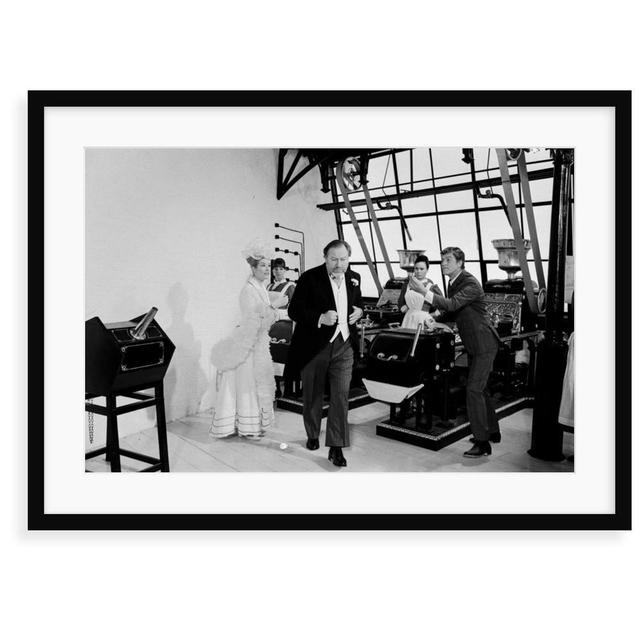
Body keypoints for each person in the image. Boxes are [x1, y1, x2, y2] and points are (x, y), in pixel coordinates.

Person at [410, 246, 500, 457]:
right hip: (474, 344)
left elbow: (453, 304)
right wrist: (436, 319)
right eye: (442, 260)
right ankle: (492, 431)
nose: (443, 264)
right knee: (482, 389)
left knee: (473, 390)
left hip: (484, 344)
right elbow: (454, 310)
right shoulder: (454, 283)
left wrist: (424, 292)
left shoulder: (469, 282)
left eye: (448, 260)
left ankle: (482, 442)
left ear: (460, 263)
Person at [286, 239, 363, 467]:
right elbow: (294, 310)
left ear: (348, 258)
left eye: (343, 259)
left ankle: (336, 447)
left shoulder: (355, 278)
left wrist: (359, 311)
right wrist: (320, 318)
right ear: (325, 258)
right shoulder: (309, 278)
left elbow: (356, 304)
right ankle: (312, 432)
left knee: (340, 396)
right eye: (334, 259)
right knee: (313, 394)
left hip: (345, 344)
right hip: (314, 346)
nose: (339, 264)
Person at [209, 240, 288, 439]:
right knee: (249, 385)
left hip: (260, 342)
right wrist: (274, 312)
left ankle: (254, 424)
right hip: (250, 343)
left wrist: (275, 311)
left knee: (259, 383)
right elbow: (254, 320)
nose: (267, 269)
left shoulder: (260, 287)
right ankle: (248, 426)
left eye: (268, 266)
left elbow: (266, 313)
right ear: (252, 268)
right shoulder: (248, 290)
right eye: (262, 265)